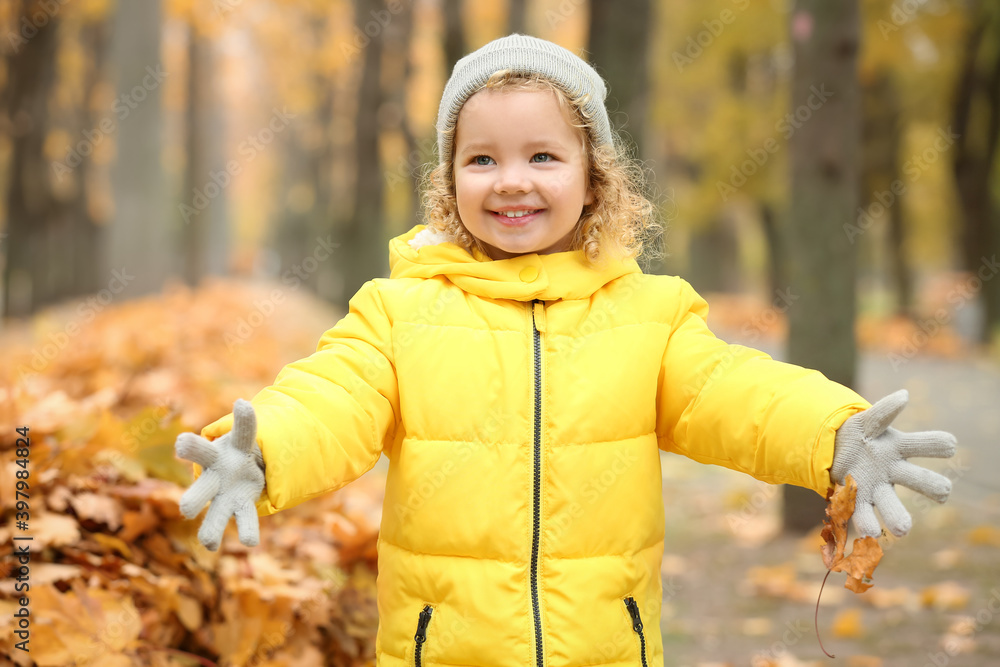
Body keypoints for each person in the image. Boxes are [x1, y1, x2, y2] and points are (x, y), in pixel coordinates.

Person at [174, 34, 957, 667]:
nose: (511, 180)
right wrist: (264, 449)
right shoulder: (399, 312)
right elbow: (332, 397)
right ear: (450, 182)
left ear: (594, 179)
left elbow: (736, 393)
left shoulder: (649, 314)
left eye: (542, 156)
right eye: (481, 159)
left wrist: (832, 433)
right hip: (444, 650)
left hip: (605, 647)